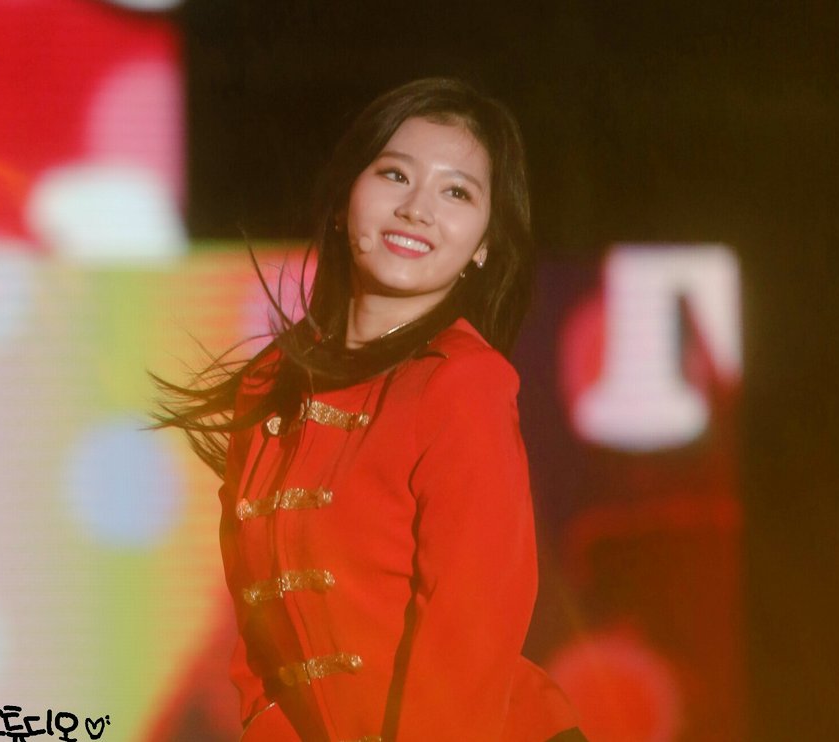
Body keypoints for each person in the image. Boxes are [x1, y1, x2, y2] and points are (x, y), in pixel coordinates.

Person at [157, 78, 582, 742]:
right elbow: (259, 637)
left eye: (457, 193)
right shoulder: (270, 384)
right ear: (343, 202)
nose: (417, 210)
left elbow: (469, 628)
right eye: (395, 175)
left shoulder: (463, 383)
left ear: (482, 245)